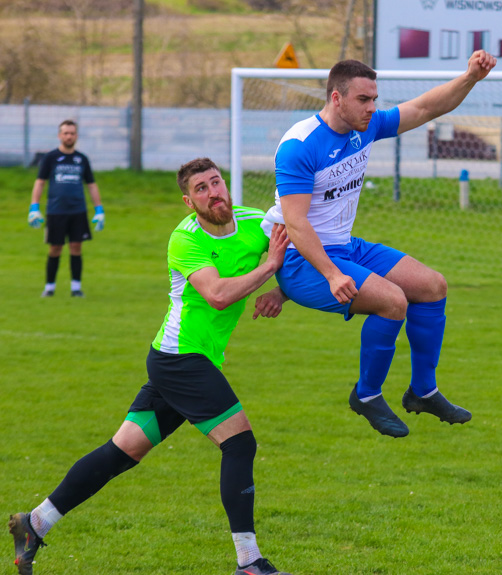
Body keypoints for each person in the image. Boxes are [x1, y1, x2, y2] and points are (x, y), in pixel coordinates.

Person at [9, 158, 294, 575]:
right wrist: (269, 267)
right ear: (188, 200)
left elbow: (302, 254)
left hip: (181, 361)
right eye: (201, 188)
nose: (213, 192)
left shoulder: (256, 224)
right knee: (240, 444)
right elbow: (216, 294)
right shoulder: (185, 239)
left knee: (121, 453)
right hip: (181, 360)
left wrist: (282, 293)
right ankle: (250, 563)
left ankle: (35, 523)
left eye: (216, 182)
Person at [261, 50, 497, 438]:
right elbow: (297, 224)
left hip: (344, 246)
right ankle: (367, 395)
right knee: (392, 301)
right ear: (336, 98)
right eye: (363, 99)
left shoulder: (364, 126)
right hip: (301, 260)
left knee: (432, 285)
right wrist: (332, 275)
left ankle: (423, 391)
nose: (372, 108)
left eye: (374, 99)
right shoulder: (299, 145)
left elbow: (424, 107)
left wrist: (470, 77)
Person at [27, 119, 104, 298]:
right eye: (66, 133)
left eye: (72, 133)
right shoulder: (50, 157)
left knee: (76, 247)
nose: (69, 136)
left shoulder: (81, 159)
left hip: (78, 211)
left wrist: (99, 209)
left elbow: (91, 184)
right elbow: (40, 182)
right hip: (56, 211)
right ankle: (49, 287)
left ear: (76, 136)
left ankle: (76, 288)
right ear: (60, 135)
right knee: (55, 248)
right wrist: (34, 206)